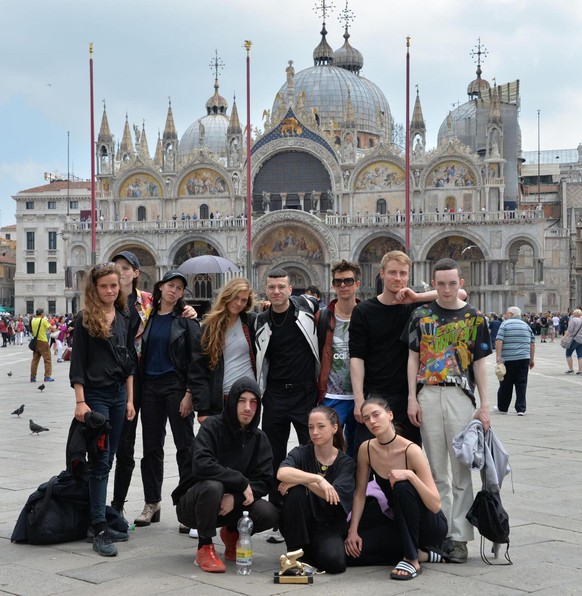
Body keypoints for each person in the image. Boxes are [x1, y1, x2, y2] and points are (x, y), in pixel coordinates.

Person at [405, 257, 491, 564]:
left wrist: (484, 405)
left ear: (461, 284)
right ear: (433, 283)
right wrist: (412, 398)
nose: (446, 289)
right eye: (440, 283)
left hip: (460, 395)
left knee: (461, 470)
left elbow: (480, 363)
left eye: (452, 283)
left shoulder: (475, 318)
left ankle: (460, 538)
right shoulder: (421, 315)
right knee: (435, 470)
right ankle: (440, 532)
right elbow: (413, 358)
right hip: (428, 393)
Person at [349, 251, 455, 451]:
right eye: (392, 272)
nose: (398, 278)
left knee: (409, 456)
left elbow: (459, 294)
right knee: (365, 454)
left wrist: (416, 296)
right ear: (381, 273)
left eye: (403, 273)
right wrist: (359, 401)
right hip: (375, 395)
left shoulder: (415, 308)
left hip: (409, 396)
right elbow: (357, 358)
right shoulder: (363, 311)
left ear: (408, 276)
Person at [172, 377, 278, 573]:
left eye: (253, 402)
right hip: (194, 505)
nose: (248, 408)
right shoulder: (212, 426)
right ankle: (204, 546)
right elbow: (201, 465)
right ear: (232, 401)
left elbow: (264, 480)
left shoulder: (259, 438)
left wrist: (236, 497)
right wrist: (240, 481)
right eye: (242, 401)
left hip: (230, 506)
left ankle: (232, 535)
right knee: (213, 486)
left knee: (268, 513)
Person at [70, 262, 136, 556]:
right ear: (94, 289)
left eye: (114, 285)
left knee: (109, 458)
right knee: (100, 460)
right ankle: (97, 528)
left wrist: (131, 400)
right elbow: (78, 364)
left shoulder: (123, 316)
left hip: (119, 395)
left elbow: (129, 362)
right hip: (95, 397)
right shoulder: (84, 319)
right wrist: (80, 402)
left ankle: (98, 521)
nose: (110, 291)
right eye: (104, 286)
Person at [345, 398, 448, 580]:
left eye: (376, 415)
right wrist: (353, 531)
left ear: (390, 415)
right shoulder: (366, 449)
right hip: (398, 522)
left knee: (402, 486)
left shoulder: (411, 450)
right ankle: (424, 554)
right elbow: (360, 494)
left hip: (429, 525)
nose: (372, 422)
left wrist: (411, 476)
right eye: (367, 418)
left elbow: (435, 505)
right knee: (350, 554)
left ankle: (412, 559)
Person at [254, 268, 320, 543]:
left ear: (291, 289)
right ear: (265, 290)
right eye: (272, 287)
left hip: (305, 393)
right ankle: (278, 519)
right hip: (276, 396)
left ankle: (313, 512)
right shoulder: (260, 320)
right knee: (273, 456)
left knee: (312, 452)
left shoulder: (308, 308)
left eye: (282, 286)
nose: (277, 291)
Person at [134, 271, 200, 527]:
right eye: (170, 285)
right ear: (160, 288)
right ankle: (152, 503)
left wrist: (189, 394)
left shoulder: (185, 320)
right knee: (151, 448)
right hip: (150, 387)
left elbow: (196, 360)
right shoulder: (146, 318)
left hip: (176, 387)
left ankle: (186, 505)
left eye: (179, 288)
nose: (174, 291)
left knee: (185, 447)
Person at [277, 406, 355, 574]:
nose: (314, 432)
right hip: (300, 521)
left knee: (335, 564)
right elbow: (282, 473)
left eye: (320, 426)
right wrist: (316, 479)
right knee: (295, 493)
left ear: (334, 428)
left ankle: (310, 554)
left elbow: (334, 496)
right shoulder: (301, 452)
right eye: (311, 427)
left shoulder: (345, 462)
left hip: (328, 525)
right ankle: (295, 552)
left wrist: (302, 482)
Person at [191, 278, 256, 421]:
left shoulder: (251, 323)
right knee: (221, 442)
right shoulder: (208, 329)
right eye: (235, 298)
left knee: (248, 442)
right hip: (221, 400)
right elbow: (198, 371)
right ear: (227, 296)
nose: (239, 303)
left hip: (248, 398)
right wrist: (203, 409)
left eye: (244, 300)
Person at [317, 260, 361, 457]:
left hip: (361, 396)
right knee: (330, 449)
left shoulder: (368, 314)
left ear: (357, 284)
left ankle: (357, 488)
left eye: (348, 281)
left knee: (359, 450)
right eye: (338, 282)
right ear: (332, 285)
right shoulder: (322, 317)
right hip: (332, 396)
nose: (343, 285)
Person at [494, 306, 535, 416]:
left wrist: (498, 356)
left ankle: (503, 407)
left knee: (506, 384)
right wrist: (532, 359)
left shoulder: (505, 324)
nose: (505, 315)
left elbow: (499, 340)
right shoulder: (526, 325)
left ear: (511, 314)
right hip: (524, 359)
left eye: (506, 313)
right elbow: (532, 343)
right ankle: (521, 409)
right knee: (521, 384)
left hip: (509, 358)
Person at [30, 308, 56, 382]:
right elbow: (51, 328)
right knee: (47, 359)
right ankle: (47, 376)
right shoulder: (43, 320)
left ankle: (33, 377)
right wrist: (56, 328)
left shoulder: (33, 320)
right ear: (41, 314)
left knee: (35, 360)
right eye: (43, 313)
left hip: (36, 342)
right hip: (43, 341)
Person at [563, 309, 582, 374]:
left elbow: (569, 330)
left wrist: (564, 337)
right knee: (580, 355)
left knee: (568, 353)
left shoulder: (573, 320)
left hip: (574, 339)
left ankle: (571, 369)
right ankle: (580, 370)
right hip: (581, 339)